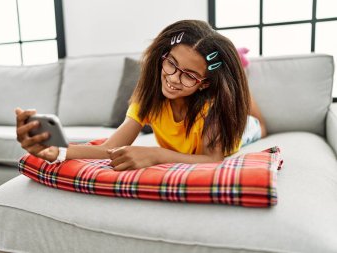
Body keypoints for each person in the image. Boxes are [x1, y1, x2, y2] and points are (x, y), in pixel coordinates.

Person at [15, 20, 267, 171]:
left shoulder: (211, 108)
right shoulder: (149, 99)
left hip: (241, 129)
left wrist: (156, 155)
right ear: (162, 57)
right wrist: (58, 152)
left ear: (203, 84)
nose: (173, 79)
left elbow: (212, 158)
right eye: (171, 64)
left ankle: (241, 87)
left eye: (189, 75)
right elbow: (109, 148)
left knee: (256, 124)